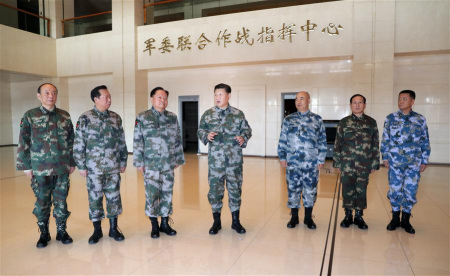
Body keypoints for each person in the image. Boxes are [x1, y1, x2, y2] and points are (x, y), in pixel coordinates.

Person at [16, 83, 75, 248]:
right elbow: (23, 142)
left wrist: (72, 162)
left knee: (61, 201)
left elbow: (71, 141)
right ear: (39, 96)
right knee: (42, 202)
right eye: (47, 93)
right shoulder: (30, 116)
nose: (51, 96)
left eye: (54, 92)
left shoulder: (64, 116)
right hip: (40, 169)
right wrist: (26, 166)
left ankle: (62, 231)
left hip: (62, 168)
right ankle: (44, 233)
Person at [74, 85, 128, 244]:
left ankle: (113, 229)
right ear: (95, 99)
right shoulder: (85, 118)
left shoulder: (115, 118)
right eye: (106, 97)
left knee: (114, 198)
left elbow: (121, 142)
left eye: (110, 96)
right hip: (93, 169)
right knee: (95, 199)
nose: (109, 99)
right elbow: (79, 144)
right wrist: (81, 166)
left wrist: (123, 161)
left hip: (113, 167)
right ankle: (97, 230)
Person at [197, 83, 252, 235]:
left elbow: (247, 130)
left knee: (235, 191)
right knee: (215, 192)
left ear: (228, 95)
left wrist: (243, 137)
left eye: (221, 94)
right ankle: (217, 222)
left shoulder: (238, 114)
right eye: (215, 94)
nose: (218, 97)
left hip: (234, 162)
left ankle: (236, 222)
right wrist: (205, 135)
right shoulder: (208, 114)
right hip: (216, 163)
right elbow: (200, 130)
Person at [133, 87, 185, 238]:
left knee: (167, 193)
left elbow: (177, 138)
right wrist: (138, 161)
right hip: (150, 164)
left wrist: (178, 158)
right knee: (152, 194)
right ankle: (154, 225)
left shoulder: (172, 117)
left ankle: (165, 223)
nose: (163, 101)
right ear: (152, 99)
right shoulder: (143, 117)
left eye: (165, 98)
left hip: (168, 163)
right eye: (159, 97)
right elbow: (137, 140)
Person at [381, 90, 430, 234]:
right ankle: (395, 218)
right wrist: (385, 156)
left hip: (413, 162)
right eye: (399, 99)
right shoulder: (391, 118)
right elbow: (385, 139)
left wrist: (424, 160)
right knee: (395, 190)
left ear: (412, 101)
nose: (401, 101)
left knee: (411, 191)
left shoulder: (420, 119)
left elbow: (425, 140)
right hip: (395, 162)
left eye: (404, 99)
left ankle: (406, 220)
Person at [277, 91, 327, 229]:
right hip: (293, 163)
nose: (298, 101)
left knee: (310, 190)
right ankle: (294, 217)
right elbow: (282, 140)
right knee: (293, 189)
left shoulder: (317, 119)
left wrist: (321, 158)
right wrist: (282, 156)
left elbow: (322, 140)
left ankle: (308, 218)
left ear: (309, 101)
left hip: (311, 163)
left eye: (302, 98)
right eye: (296, 99)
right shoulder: (288, 119)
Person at [333, 94, 380, 229]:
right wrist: (337, 162)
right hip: (347, 164)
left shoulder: (371, 123)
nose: (357, 105)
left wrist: (374, 163)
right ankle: (348, 215)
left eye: (360, 102)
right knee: (347, 189)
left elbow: (375, 144)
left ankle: (359, 216)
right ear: (350, 105)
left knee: (361, 190)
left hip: (364, 164)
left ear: (364, 105)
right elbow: (338, 144)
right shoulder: (343, 122)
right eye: (354, 102)